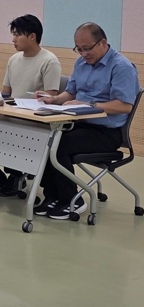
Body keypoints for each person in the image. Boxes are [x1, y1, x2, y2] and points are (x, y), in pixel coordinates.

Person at [34, 22, 139, 220]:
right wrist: (54, 99)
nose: (83, 54)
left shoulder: (121, 67)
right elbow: (70, 93)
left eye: (87, 48)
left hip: (106, 133)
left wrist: (88, 104)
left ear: (103, 43)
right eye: (79, 49)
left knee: (60, 144)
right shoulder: (81, 63)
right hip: (80, 123)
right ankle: (52, 195)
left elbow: (124, 106)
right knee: (45, 138)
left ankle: (72, 200)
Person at [0, 14, 61, 196]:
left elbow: (50, 98)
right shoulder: (14, 59)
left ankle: (16, 176)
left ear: (32, 36)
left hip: (32, 120)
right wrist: (0, 106)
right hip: (11, 114)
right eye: (14, 34)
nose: (13, 39)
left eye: (18, 34)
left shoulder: (49, 61)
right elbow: (6, 93)